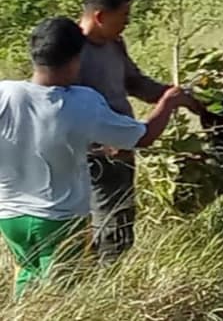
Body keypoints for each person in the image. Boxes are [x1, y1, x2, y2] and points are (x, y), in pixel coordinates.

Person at [0, 18, 194, 299]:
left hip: (10, 217)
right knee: (61, 298)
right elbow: (143, 137)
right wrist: (168, 102)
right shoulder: (82, 103)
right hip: (59, 219)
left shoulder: (6, 93)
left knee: (27, 281)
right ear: (75, 59)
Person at [77, 0, 201, 261]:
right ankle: (101, 290)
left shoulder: (114, 44)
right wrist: (100, 145)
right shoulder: (70, 51)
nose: (128, 22)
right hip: (92, 158)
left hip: (121, 151)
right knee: (103, 230)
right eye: (124, 15)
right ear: (100, 16)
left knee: (120, 227)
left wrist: (173, 95)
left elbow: (134, 82)